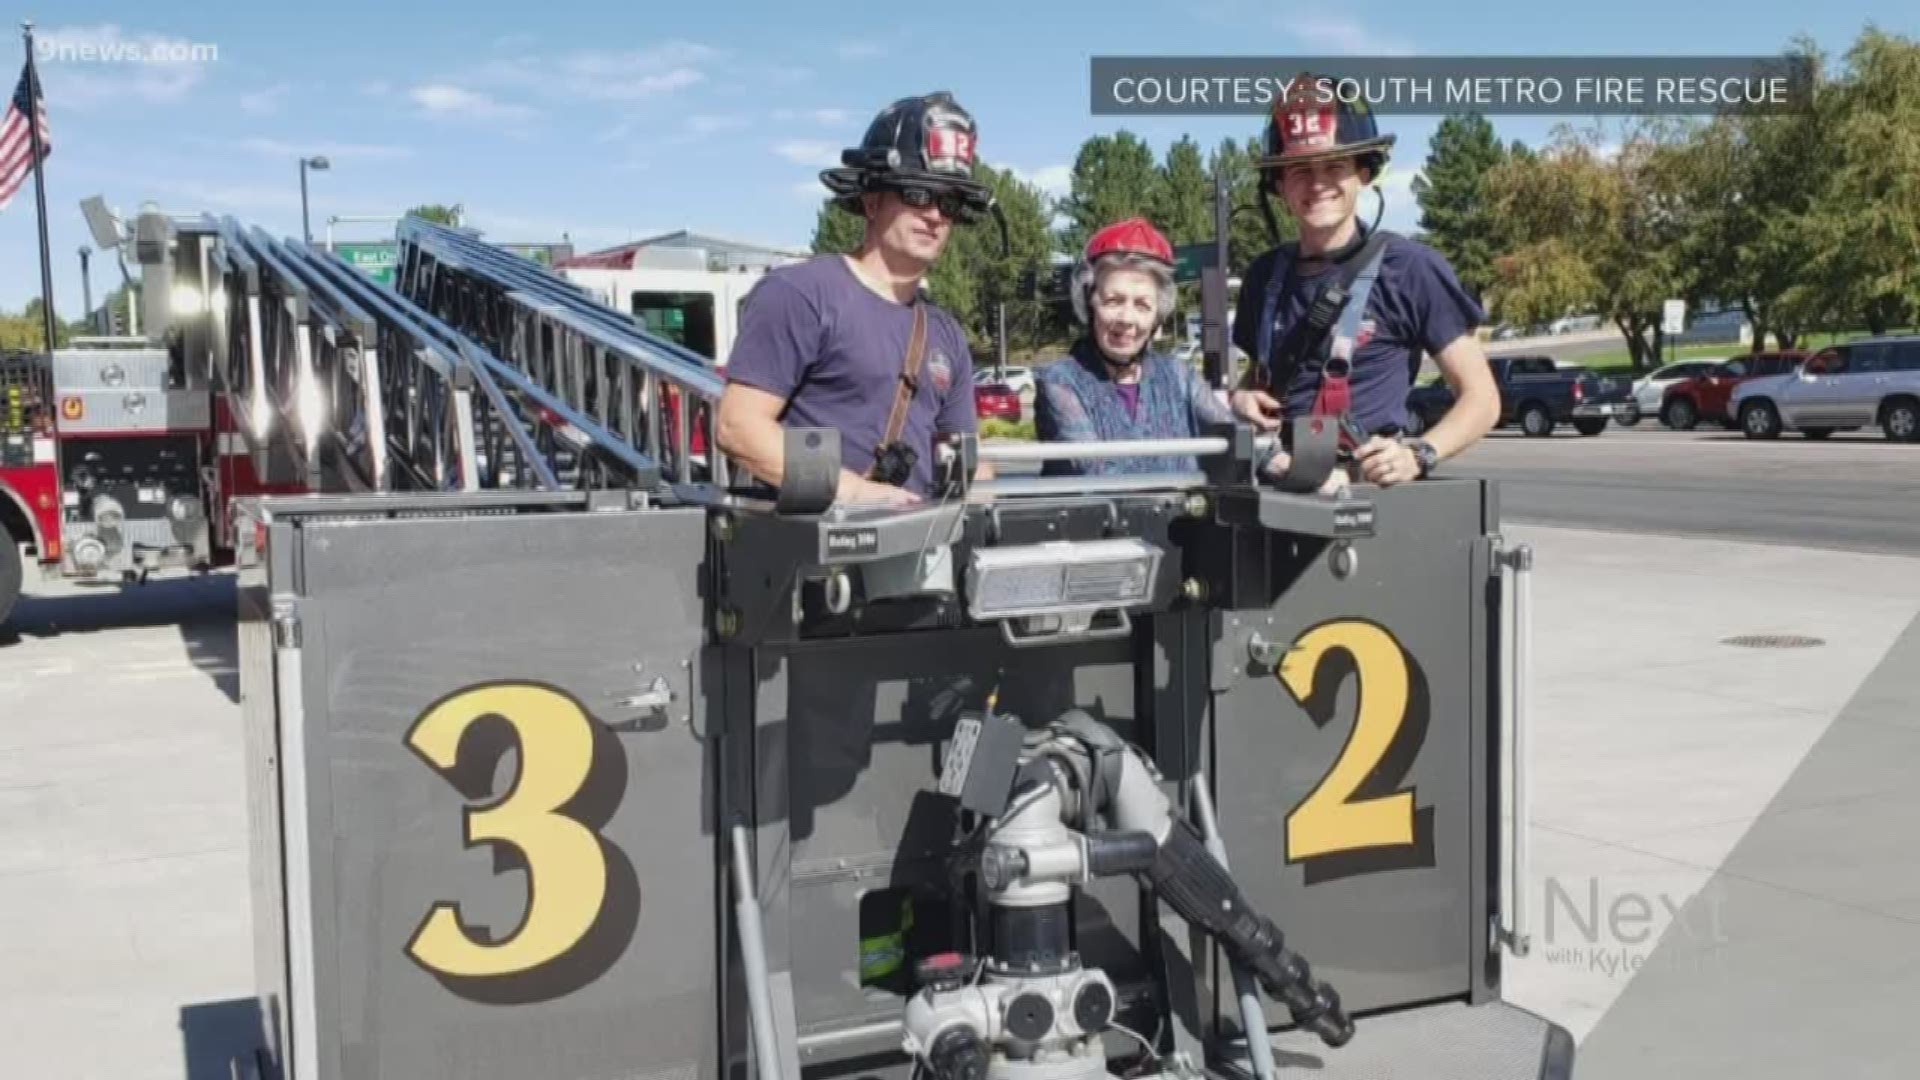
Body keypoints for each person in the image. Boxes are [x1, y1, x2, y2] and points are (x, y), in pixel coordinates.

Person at [715, 91, 994, 507]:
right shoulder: (803, 294)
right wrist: (854, 492)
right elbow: (740, 427)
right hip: (815, 556)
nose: (934, 215)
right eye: (917, 194)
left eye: (949, 202)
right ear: (871, 200)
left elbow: (959, 459)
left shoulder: (945, 332)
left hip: (920, 551)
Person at [1229, 74, 1499, 488]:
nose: (1318, 183)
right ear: (1278, 184)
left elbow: (1482, 398)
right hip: (1278, 487)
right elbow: (1257, 380)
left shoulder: (1410, 268)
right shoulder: (1264, 278)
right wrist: (1240, 400)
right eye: (1300, 169)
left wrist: (1418, 454)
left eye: (1335, 165)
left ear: (1364, 172)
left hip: (1367, 497)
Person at [1032, 217, 1239, 477]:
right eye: (1113, 301)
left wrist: (1284, 462)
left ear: (1157, 316)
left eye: (1142, 305)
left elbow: (1232, 432)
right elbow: (1094, 469)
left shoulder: (1178, 375)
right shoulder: (1060, 381)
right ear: (1088, 302)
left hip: (1185, 516)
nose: (1126, 319)